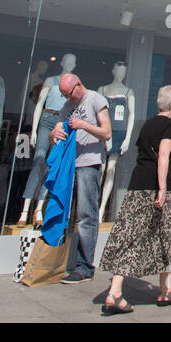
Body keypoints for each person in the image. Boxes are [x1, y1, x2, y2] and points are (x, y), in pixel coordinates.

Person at [98, 85, 171, 314]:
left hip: (138, 182)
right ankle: (164, 291)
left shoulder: (147, 124)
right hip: (156, 185)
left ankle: (116, 290)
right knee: (164, 235)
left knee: (129, 234)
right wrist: (163, 188)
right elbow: (164, 156)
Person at [50, 73, 113, 284]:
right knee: (63, 211)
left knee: (86, 215)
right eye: (63, 95)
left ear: (78, 85)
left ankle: (84, 266)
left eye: (69, 94)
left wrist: (83, 125)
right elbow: (57, 128)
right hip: (70, 164)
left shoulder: (96, 99)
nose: (68, 99)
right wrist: (54, 134)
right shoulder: (68, 106)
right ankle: (58, 259)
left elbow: (106, 132)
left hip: (89, 163)